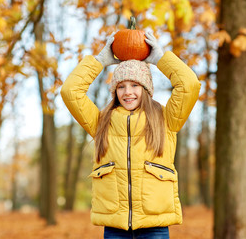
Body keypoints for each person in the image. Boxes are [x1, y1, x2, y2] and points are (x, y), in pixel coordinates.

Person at [61, 31, 201, 239]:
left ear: (146, 89)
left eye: (135, 85)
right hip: (115, 228)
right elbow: (70, 91)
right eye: (121, 86)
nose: (128, 92)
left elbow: (189, 85)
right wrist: (100, 61)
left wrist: (160, 59)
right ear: (115, 91)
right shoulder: (101, 122)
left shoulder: (166, 119)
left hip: (154, 226)